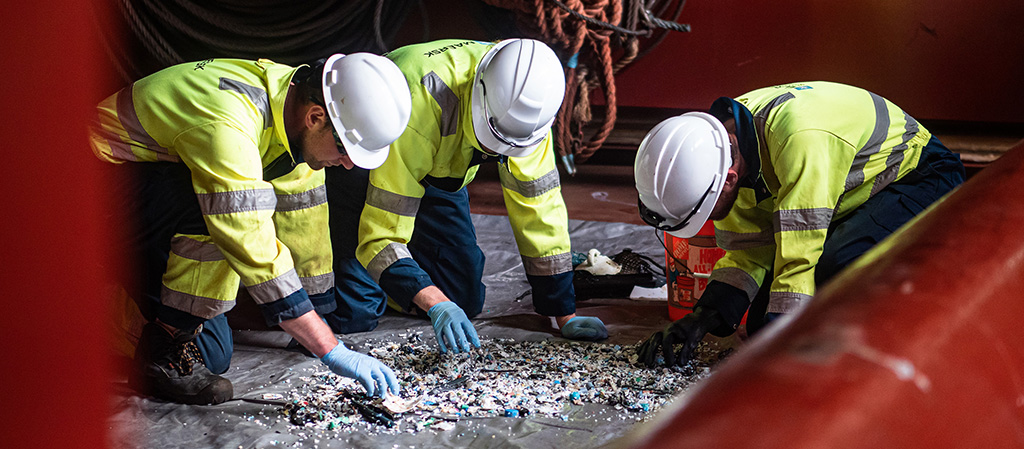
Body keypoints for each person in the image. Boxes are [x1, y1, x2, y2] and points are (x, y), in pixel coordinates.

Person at [90, 53, 412, 404]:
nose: (348, 164)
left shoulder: (293, 105)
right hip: (85, 194)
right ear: (316, 117)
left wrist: (316, 313)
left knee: (211, 353)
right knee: (217, 207)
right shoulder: (228, 122)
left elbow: (305, 215)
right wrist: (328, 347)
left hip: (148, 199)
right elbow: (245, 232)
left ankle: (159, 327)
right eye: (345, 148)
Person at [634, 81, 965, 367]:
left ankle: (889, 352)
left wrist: (783, 355)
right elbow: (750, 254)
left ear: (729, 180)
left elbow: (800, 260)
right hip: (851, 196)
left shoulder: (799, 140)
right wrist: (702, 317)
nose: (707, 220)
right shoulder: (723, 152)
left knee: (836, 268)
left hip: (919, 174)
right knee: (765, 322)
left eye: (705, 211)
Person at [323, 38, 608, 353]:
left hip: (442, 174)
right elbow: (382, 233)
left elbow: (541, 210)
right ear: (477, 99)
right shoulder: (420, 99)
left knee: (464, 297)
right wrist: (433, 302)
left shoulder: (529, 114)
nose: (496, 153)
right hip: (370, 165)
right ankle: (348, 260)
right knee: (355, 313)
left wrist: (564, 313)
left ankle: (394, 279)